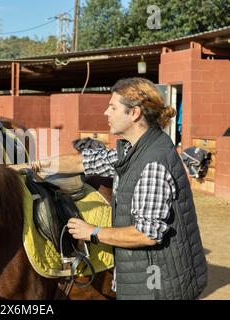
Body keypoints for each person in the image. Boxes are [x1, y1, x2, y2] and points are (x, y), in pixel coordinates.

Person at [14, 77, 208, 300]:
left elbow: (147, 234)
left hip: (157, 285)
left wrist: (93, 232)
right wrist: (28, 166)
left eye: (113, 107)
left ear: (134, 113)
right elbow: (82, 162)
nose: (106, 112)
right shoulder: (135, 151)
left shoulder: (152, 163)